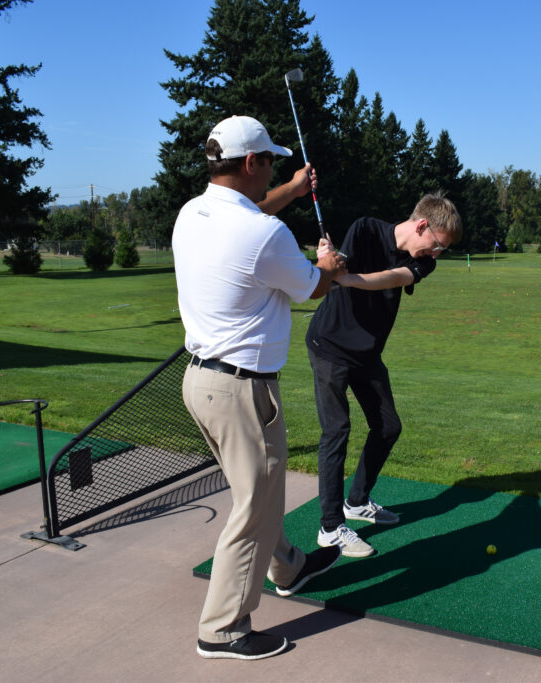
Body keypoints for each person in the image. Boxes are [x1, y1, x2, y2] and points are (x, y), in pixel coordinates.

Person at [173, 115, 346, 661]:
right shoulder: (262, 233)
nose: (273, 164)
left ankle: (288, 568)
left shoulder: (193, 212)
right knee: (253, 508)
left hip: (199, 382)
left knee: (258, 495)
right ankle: (222, 630)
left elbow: (250, 222)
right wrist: (328, 264)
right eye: (270, 159)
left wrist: (291, 192)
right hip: (243, 392)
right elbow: (314, 286)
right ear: (252, 163)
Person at [305, 192, 462, 557]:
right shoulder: (365, 229)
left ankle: (356, 502)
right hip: (329, 345)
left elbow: (390, 278)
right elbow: (337, 267)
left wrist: (345, 277)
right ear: (422, 225)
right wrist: (329, 262)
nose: (436, 254)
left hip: (366, 352)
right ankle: (330, 527)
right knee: (336, 430)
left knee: (388, 426)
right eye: (437, 245)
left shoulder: (422, 263)